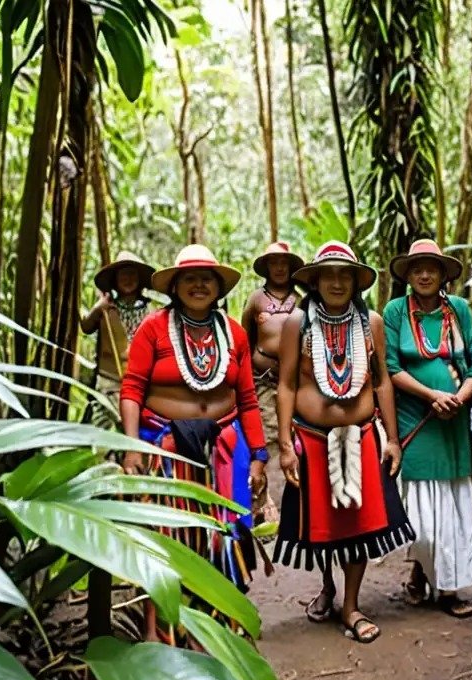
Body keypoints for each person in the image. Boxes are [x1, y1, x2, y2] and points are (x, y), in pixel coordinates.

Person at [120, 244, 269, 642]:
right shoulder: (154, 328)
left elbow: (248, 399)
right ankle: (159, 629)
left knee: (223, 533)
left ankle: (222, 628)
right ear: (175, 286)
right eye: (190, 278)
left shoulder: (234, 333)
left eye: (207, 278)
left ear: (219, 287)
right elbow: (132, 388)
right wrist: (132, 446)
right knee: (166, 535)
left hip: (223, 447)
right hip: (165, 448)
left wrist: (258, 456)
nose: (199, 284)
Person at [272, 241, 412, 644]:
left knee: (358, 525)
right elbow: (285, 384)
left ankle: (351, 605)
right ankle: (328, 586)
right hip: (312, 439)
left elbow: (383, 381)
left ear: (355, 281)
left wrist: (393, 439)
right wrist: (284, 444)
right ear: (315, 281)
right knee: (324, 525)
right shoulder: (297, 324)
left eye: (344, 274)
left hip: (362, 436)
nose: (336, 282)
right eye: (328, 274)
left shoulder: (371, 322)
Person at [383, 239, 472, 618]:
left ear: (443, 274)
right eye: (417, 268)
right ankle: (421, 567)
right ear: (408, 275)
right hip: (416, 420)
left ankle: (448, 589)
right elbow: (391, 368)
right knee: (422, 519)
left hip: (453, 423)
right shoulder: (395, 311)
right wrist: (431, 396)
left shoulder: (457, 310)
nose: (424, 274)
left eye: (432, 268)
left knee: (454, 504)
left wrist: (459, 397)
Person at [241, 241, 304, 524]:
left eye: (284, 263)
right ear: (267, 268)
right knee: (264, 442)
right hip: (262, 381)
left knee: (294, 439)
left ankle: (294, 506)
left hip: (293, 380)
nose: (279, 268)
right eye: (274, 263)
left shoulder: (302, 300)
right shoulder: (256, 299)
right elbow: (245, 338)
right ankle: (262, 506)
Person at [80, 251, 155, 428]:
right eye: (123, 274)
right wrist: (98, 308)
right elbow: (86, 327)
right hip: (108, 381)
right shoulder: (106, 309)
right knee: (100, 431)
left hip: (140, 382)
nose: (128, 279)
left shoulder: (151, 311)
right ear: (115, 280)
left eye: (132, 274)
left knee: (137, 431)